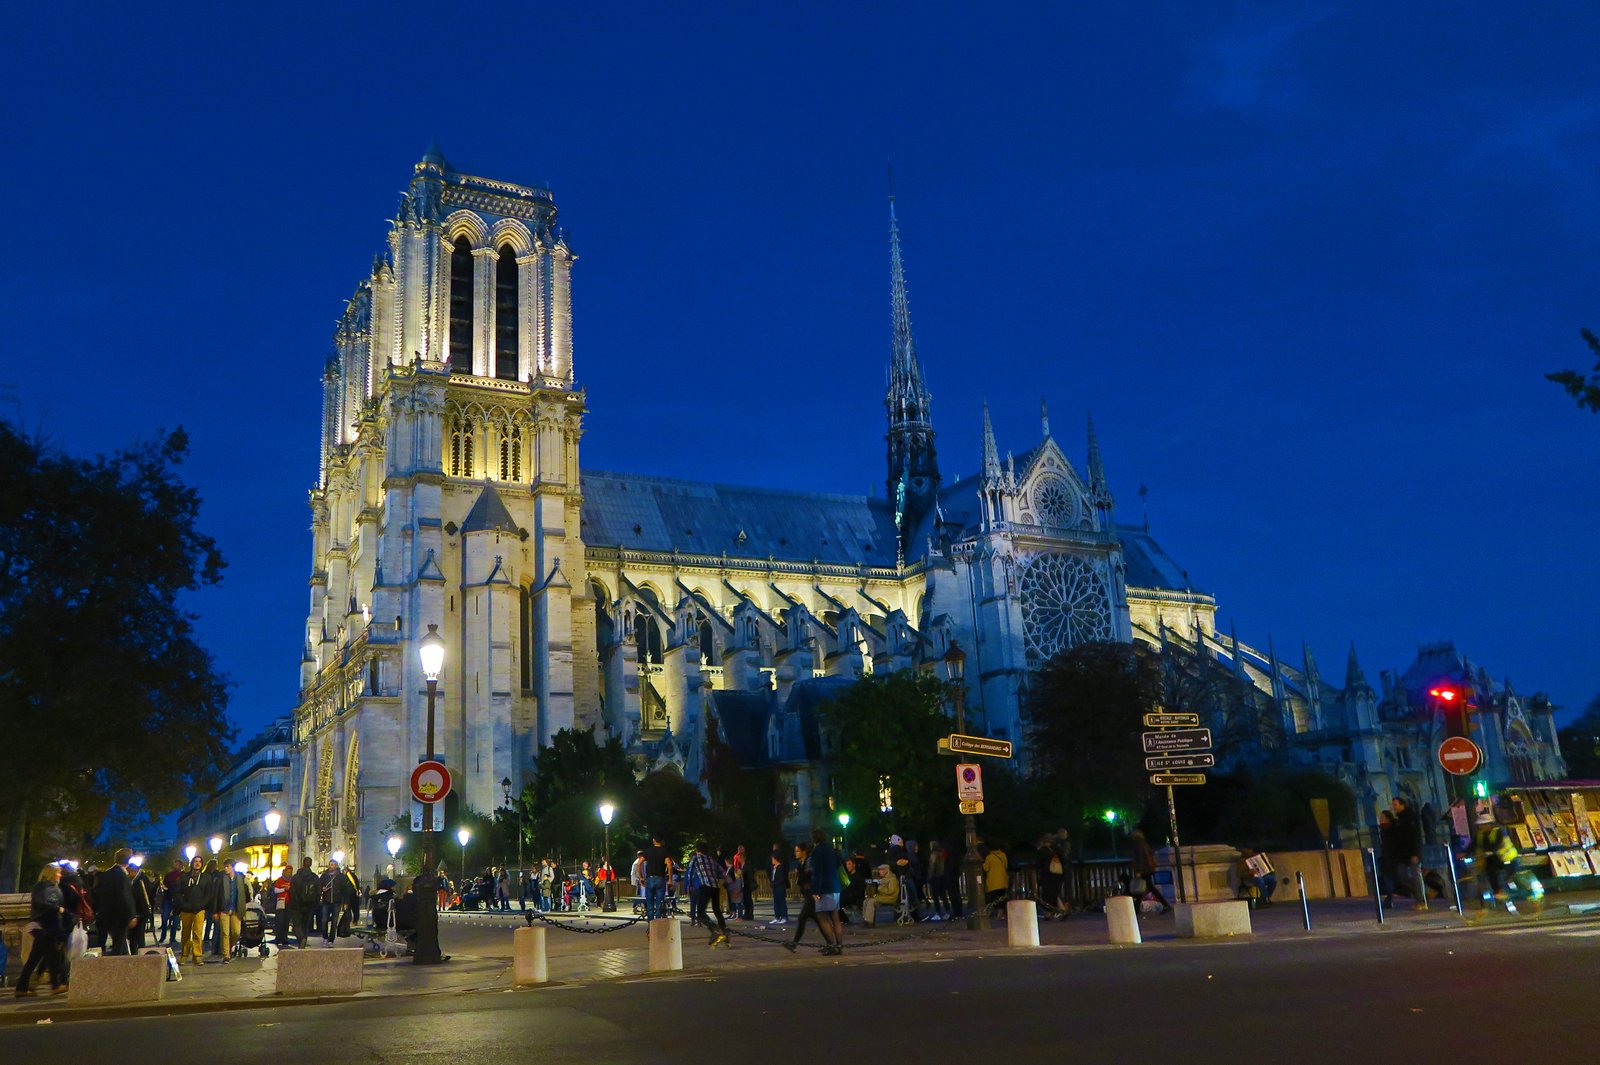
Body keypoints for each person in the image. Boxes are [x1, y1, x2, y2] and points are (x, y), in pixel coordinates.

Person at [14, 863, 68, 997]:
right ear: (51, 874)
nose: (60, 875)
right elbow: (46, 904)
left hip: (43, 925)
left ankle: (22, 987)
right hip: (45, 926)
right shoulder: (47, 888)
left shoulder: (44, 887)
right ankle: (56, 985)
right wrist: (57, 909)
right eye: (58, 872)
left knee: (35, 958)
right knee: (53, 955)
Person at [92, 847, 138, 956]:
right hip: (119, 917)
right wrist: (131, 915)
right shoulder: (121, 875)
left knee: (118, 945)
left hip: (106, 915)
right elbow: (124, 896)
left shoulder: (107, 873)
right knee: (119, 946)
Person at [685, 839, 730, 946]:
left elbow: (690, 871)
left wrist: (690, 884)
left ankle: (714, 930)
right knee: (716, 909)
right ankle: (724, 930)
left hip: (706, 885)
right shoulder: (711, 859)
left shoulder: (696, 857)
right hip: (716, 886)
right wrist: (730, 883)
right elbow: (722, 872)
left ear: (697, 850)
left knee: (700, 912)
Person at [807, 828, 844, 954]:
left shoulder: (817, 851)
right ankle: (839, 946)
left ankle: (831, 945)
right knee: (835, 917)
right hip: (835, 885)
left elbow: (818, 872)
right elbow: (838, 864)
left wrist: (815, 891)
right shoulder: (831, 849)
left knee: (822, 917)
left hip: (824, 888)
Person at [1391, 797, 1426, 910]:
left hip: (1412, 852)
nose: (1393, 807)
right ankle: (1418, 893)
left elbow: (1415, 836)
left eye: (1395, 804)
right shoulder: (1399, 819)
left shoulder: (1410, 817)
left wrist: (1415, 853)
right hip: (1403, 853)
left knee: (1416, 875)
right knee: (1402, 874)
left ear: (1402, 805)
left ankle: (1421, 901)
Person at [1475, 812, 1519, 901]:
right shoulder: (1481, 834)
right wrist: (1465, 853)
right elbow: (1474, 844)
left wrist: (1490, 851)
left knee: (1508, 874)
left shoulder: (1499, 831)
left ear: (1489, 824)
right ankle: (1498, 891)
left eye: (1482, 824)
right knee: (1490, 871)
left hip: (1508, 858)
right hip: (1495, 859)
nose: (1480, 827)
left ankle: (1508, 886)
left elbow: (1498, 844)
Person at [1129, 830, 1173, 914]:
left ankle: (1165, 904)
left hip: (1144, 869)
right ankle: (1137, 909)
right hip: (1148, 868)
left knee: (1144, 888)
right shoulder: (1143, 842)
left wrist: (1139, 870)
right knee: (1143, 888)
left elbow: (1140, 857)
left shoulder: (1138, 843)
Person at [177, 855, 209, 964]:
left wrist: (203, 904)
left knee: (197, 933)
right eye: (195, 861)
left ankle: (197, 955)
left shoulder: (206, 877)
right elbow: (177, 892)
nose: (197, 863)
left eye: (200, 861)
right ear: (192, 863)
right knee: (185, 933)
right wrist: (183, 904)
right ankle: (184, 955)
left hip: (199, 909)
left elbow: (208, 893)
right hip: (186, 909)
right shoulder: (184, 877)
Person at [289, 857, 322, 949]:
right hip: (310, 904)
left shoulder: (296, 877)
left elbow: (292, 891)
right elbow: (318, 891)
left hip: (297, 905)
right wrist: (315, 902)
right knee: (305, 924)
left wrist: (293, 902)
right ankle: (304, 940)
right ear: (310, 864)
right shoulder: (315, 877)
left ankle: (301, 939)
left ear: (302, 863)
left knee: (296, 924)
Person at [641, 834, 672, 920]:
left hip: (650, 878)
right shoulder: (664, 851)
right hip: (660, 878)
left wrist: (641, 877)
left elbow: (639, 863)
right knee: (659, 901)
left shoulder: (648, 851)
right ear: (662, 841)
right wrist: (670, 880)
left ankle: (650, 921)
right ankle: (658, 920)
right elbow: (669, 866)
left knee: (649, 901)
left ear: (653, 840)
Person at [327, 859, 359, 939]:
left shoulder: (347, 876)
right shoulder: (349, 876)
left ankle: (348, 925)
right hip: (351, 896)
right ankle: (352, 922)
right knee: (351, 910)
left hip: (350, 896)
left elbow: (348, 887)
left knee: (348, 911)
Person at [1035, 835, 1065, 918]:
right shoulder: (1057, 850)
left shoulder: (1042, 851)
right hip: (1057, 874)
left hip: (1047, 875)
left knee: (1047, 895)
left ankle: (1049, 913)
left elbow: (1038, 864)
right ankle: (1062, 909)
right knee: (1056, 893)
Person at [130, 861, 155, 950]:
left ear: (134, 870)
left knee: (139, 934)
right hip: (137, 910)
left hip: (141, 911)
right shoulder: (136, 879)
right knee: (134, 935)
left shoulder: (142, 880)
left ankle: (140, 952)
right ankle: (135, 951)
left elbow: (146, 895)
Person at [161, 858, 185, 944]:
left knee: (175, 919)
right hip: (168, 898)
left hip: (177, 900)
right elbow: (164, 884)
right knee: (165, 918)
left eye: (177, 864)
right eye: (175, 864)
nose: (176, 866)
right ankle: (163, 936)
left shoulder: (183, 875)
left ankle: (172, 937)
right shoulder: (169, 874)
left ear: (181, 865)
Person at [768, 843, 790, 926]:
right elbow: (772, 876)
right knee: (776, 902)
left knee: (781, 901)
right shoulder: (773, 867)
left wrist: (775, 883)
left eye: (773, 858)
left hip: (780, 887)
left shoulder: (781, 867)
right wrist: (772, 883)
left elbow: (781, 878)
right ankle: (777, 917)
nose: (772, 860)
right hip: (775, 887)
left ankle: (784, 917)